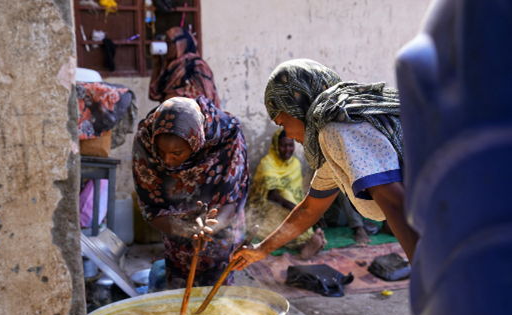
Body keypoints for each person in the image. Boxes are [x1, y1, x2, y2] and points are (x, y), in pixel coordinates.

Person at [233, 58, 418, 271]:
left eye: (283, 123)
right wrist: (261, 249)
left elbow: (396, 204)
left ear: (297, 107)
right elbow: (310, 208)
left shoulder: (336, 130)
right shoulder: (335, 139)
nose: (289, 135)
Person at [132, 96, 248, 289]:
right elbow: (151, 208)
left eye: (176, 153)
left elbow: (231, 201)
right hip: (174, 227)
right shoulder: (146, 139)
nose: (167, 161)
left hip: (220, 226)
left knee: (216, 293)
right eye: (161, 152)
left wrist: (207, 230)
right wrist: (185, 230)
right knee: (178, 287)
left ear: (196, 141)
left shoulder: (227, 137)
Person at [247, 128, 326, 259]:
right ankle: (306, 244)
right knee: (283, 226)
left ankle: (307, 242)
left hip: (290, 205)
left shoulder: (295, 164)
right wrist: (297, 209)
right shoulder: (267, 163)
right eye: (283, 145)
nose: (287, 149)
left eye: (290, 145)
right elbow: (272, 196)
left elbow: (297, 193)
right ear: (276, 145)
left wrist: (305, 209)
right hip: (266, 207)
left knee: (299, 221)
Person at [149, 27, 220, 107]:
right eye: (166, 43)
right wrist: (157, 64)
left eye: (170, 43)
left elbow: (206, 98)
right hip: (172, 113)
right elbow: (154, 94)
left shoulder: (197, 66)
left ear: (181, 44)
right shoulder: (171, 68)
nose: (167, 47)